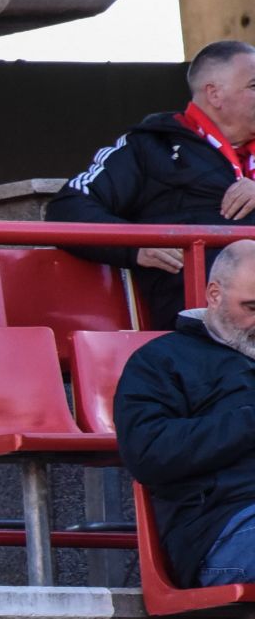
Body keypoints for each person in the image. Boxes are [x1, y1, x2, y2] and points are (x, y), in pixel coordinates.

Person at [47, 39, 255, 331]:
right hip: (206, 325)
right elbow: (68, 208)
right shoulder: (150, 146)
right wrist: (136, 245)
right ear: (215, 94)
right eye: (253, 86)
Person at [116, 239, 255, 586]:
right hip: (223, 527)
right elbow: (148, 453)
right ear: (214, 294)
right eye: (251, 307)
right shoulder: (161, 361)